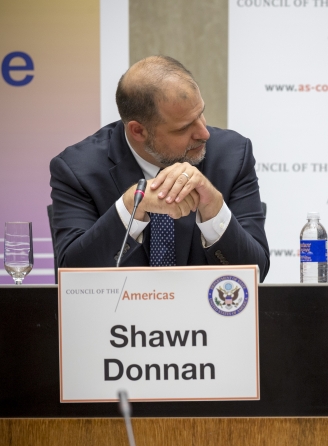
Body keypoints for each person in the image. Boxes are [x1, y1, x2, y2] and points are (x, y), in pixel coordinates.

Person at [50, 56, 270, 280]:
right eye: (183, 128)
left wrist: (213, 207)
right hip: (118, 312)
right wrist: (129, 207)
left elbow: (256, 272)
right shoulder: (78, 170)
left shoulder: (231, 156)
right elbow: (71, 277)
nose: (204, 133)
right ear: (138, 131)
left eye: (200, 113)